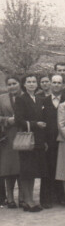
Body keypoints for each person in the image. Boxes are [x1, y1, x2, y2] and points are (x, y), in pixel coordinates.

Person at [14, 74, 48, 212]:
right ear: (24, 84)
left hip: (38, 139)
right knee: (27, 170)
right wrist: (35, 124)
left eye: (34, 81)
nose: (32, 84)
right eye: (29, 82)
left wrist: (44, 140)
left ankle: (31, 199)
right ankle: (27, 200)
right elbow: (18, 120)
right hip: (27, 139)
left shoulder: (39, 99)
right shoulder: (21, 99)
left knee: (33, 171)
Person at [41, 74, 65, 208]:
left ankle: (62, 196)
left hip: (64, 140)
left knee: (62, 167)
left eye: (59, 82)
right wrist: (43, 141)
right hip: (48, 141)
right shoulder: (43, 101)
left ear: (63, 85)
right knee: (48, 168)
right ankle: (47, 198)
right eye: (54, 82)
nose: (56, 85)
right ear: (50, 84)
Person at [0, 75, 22, 208]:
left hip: (23, 134)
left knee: (22, 166)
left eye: (14, 83)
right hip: (8, 136)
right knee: (9, 168)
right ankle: (10, 198)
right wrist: (6, 120)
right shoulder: (1, 99)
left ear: (19, 84)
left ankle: (23, 197)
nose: (12, 86)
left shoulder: (25, 97)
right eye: (9, 84)